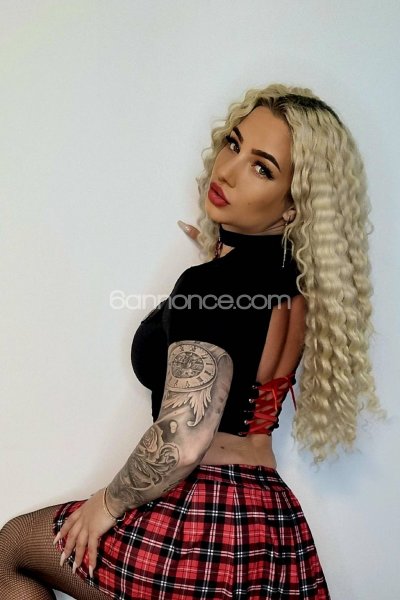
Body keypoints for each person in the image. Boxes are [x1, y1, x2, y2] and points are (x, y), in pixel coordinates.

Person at [0, 83, 387, 599]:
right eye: (234, 144)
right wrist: (216, 257)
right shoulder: (297, 289)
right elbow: (241, 332)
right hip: (270, 524)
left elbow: (183, 439)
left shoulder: (211, 287)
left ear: (294, 205)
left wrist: (106, 506)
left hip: (202, 519)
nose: (227, 171)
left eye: (262, 168)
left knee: (11, 548)